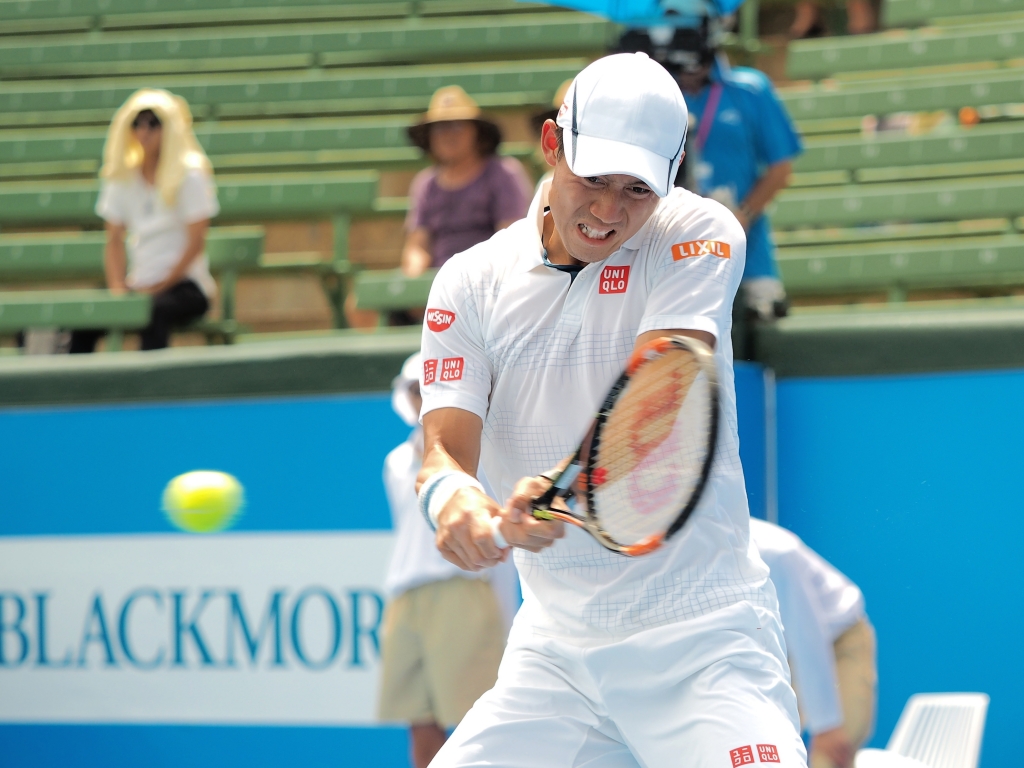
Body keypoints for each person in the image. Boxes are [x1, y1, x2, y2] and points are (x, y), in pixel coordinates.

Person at [416, 52, 807, 767]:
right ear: (550, 145)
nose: (607, 211)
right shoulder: (467, 283)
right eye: (593, 180)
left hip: (705, 643)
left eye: (636, 190)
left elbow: (661, 400)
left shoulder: (701, 234)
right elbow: (442, 449)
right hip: (556, 659)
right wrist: (456, 506)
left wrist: (558, 492)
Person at [619, 22, 802, 355]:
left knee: (754, 337)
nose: (686, 76)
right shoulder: (653, 95)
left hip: (747, 242)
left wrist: (743, 214)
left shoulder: (748, 89)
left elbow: (781, 167)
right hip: (669, 240)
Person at [378, 353, 519, 768]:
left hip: (464, 589)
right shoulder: (396, 462)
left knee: (481, 724)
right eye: (414, 391)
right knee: (420, 724)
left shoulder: (484, 453)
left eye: (428, 388)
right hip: (405, 596)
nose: (423, 398)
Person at [72, 88, 218, 352]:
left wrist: (162, 285)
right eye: (137, 123)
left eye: (154, 123)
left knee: (154, 313)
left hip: (185, 286)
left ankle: (151, 391)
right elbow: (114, 239)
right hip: (139, 284)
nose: (144, 131)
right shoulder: (122, 179)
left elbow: (196, 241)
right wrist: (118, 289)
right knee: (84, 318)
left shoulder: (191, 176)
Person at [750, 519, 877, 768]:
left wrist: (827, 724)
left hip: (839, 640)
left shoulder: (775, 552)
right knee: (764, 745)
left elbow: (807, 636)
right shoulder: (700, 554)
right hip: (782, 650)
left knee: (831, 755)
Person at [401, 85, 532, 279]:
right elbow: (417, 245)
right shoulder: (426, 184)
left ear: (477, 132)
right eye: (439, 128)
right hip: (438, 282)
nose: (448, 135)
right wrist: (414, 279)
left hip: (488, 280)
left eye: (457, 125)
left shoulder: (503, 173)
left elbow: (510, 241)